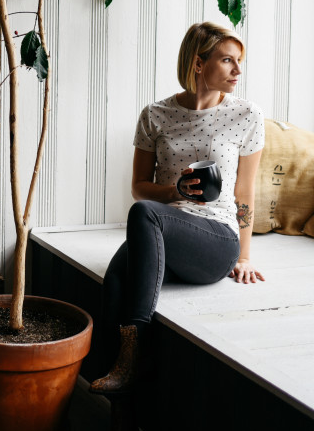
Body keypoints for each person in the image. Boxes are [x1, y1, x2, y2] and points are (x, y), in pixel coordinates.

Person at [90, 21, 265, 394]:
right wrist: (175, 192)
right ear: (199, 64)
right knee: (116, 279)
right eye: (227, 61)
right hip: (163, 233)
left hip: (215, 240)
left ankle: (132, 359)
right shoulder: (156, 114)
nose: (238, 71)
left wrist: (245, 256)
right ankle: (115, 390)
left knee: (143, 215)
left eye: (239, 62)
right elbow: (139, 187)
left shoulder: (246, 115)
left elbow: (245, 190)